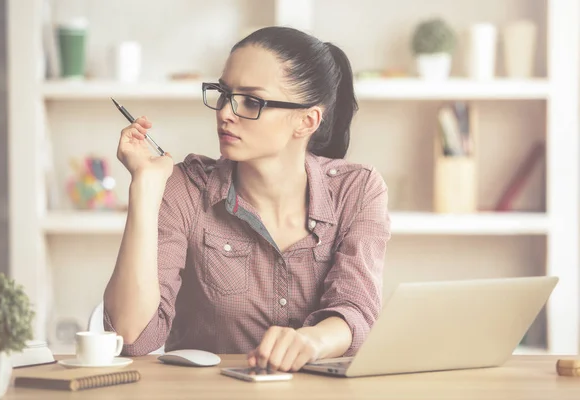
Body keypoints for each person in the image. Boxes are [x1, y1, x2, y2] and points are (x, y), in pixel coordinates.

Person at [103, 26, 391, 373]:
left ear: (307, 120)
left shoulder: (357, 190)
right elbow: (131, 336)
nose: (225, 112)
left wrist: (310, 341)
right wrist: (144, 186)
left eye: (251, 101)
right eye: (224, 93)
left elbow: (356, 310)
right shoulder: (185, 188)